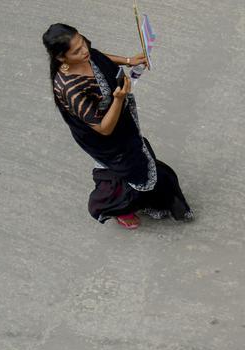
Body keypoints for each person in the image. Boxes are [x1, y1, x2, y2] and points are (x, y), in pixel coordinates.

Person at [42, 23, 192, 229]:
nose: (84, 50)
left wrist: (129, 61)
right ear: (61, 58)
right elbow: (103, 128)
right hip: (105, 136)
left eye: (82, 42)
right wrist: (119, 99)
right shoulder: (70, 89)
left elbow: (98, 57)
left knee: (134, 162)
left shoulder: (84, 54)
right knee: (137, 168)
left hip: (120, 120)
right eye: (77, 50)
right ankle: (112, 206)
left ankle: (140, 194)